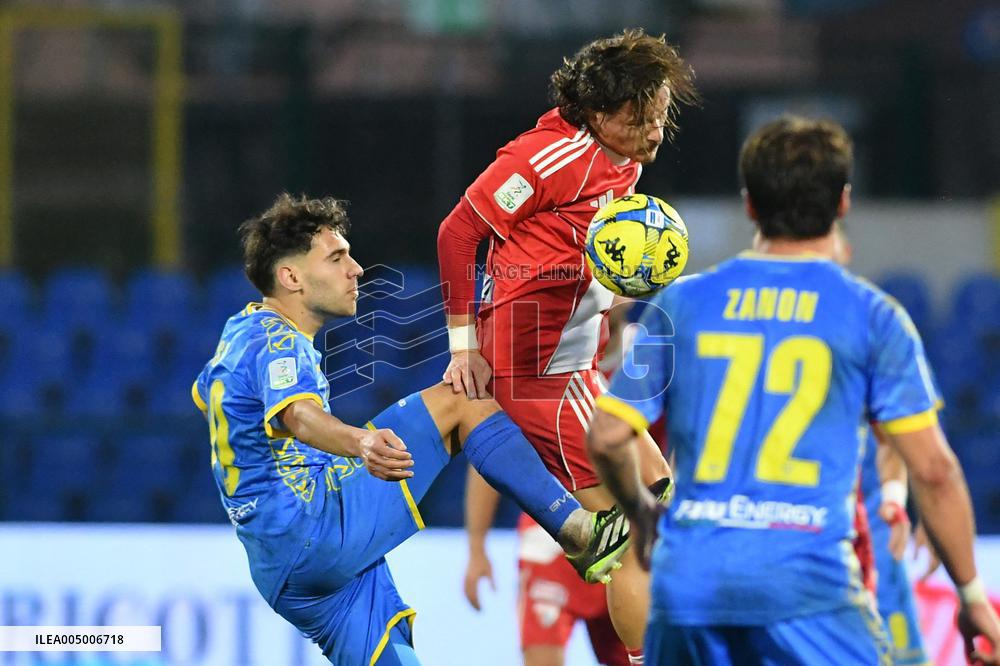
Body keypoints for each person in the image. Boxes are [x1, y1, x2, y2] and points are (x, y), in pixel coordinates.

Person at [587, 116, 1000, 664]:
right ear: (843, 203)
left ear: (750, 205)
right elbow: (936, 470)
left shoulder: (680, 303)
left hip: (691, 586)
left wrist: (641, 514)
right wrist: (971, 596)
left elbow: (607, 435)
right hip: (807, 588)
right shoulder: (873, 317)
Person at [191, 194, 631, 665]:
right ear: (291, 277)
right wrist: (361, 441)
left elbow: (205, 395)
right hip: (312, 525)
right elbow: (299, 416)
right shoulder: (276, 338)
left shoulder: (240, 332)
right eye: (337, 258)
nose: (356, 269)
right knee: (463, 398)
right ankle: (576, 529)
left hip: (282, 568)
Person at [437, 29, 698, 661]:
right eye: (643, 117)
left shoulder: (624, 162)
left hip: (574, 366)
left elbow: (569, 252)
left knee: (665, 503)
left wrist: (606, 302)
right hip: (539, 373)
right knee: (637, 535)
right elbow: (457, 232)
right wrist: (463, 347)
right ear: (602, 113)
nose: (656, 131)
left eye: (662, 116)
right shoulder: (546, 160)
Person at [464, 469, 629, 666]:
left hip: (621, 537)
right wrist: (476, 549)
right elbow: (484, 453)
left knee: (637, 657)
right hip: (551, 543)